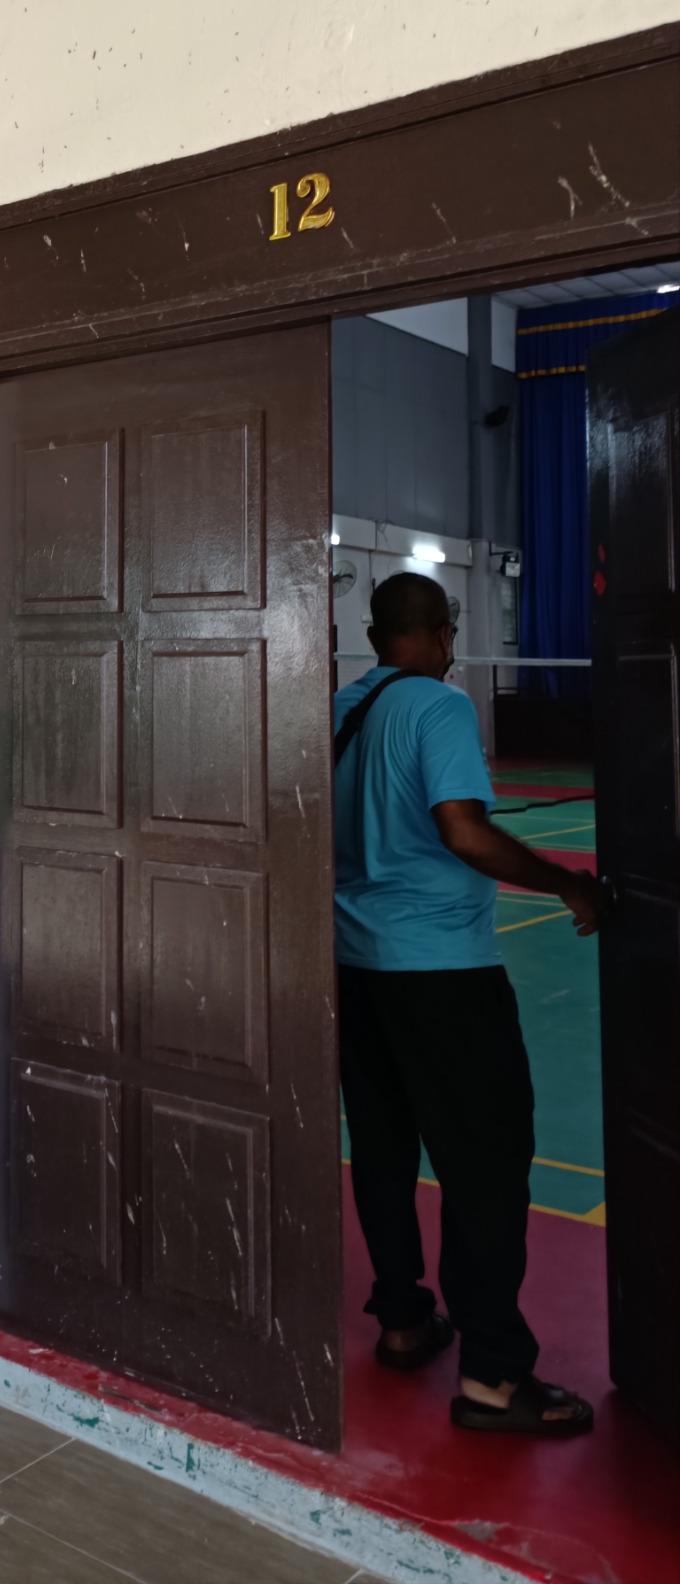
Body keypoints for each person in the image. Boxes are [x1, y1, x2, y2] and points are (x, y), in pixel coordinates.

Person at [334, 571, 602, 1437]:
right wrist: (567, 884)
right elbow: (462, 828)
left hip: (355, 968)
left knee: (383, 1149)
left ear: (373, 635)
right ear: (445, 634)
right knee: (486, 1164)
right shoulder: (440, 707)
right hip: (442, 972)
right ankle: (492, 1374)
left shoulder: (340, 709)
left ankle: (404, 1321)